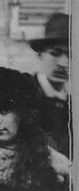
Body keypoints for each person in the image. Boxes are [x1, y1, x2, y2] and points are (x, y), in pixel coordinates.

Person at [28, 11, 70, 155]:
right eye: (55, 53)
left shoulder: (71, 105)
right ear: (41, 53)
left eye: (71, 55)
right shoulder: (22, 95)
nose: (63, 63)